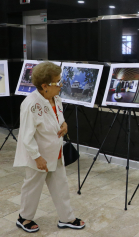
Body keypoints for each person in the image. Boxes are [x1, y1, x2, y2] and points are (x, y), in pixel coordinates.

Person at [13, 62, 85, 233]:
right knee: (33, 188)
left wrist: (64, 124)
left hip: (56, 152)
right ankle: (24, 218)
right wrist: (37, 157)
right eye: (57, 82)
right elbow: (26, 136)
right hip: (39, 156)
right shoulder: (31, 104)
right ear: (44, 86)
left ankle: (66, 218)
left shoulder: (55, 98)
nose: (61, 85)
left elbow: (58, 117)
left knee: (61, 185)